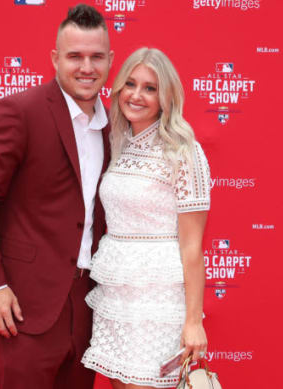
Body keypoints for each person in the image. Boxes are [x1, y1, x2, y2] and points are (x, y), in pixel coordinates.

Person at [0, 4, 113, 389]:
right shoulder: (19, 111)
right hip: (24, 306)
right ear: (55, 59)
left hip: (88, 305)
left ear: (110, 61)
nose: (86, 67)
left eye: (96, 57)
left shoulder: (113, 127)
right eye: (75, 56)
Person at [81, 48, 210, 388]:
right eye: (130, 84)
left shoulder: (184, 151)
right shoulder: (117, 142)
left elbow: (193, 247)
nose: (136, 95)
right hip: (116, 296)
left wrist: (194, 322)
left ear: (166, 96)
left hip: (158, 302)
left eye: (150, 88)